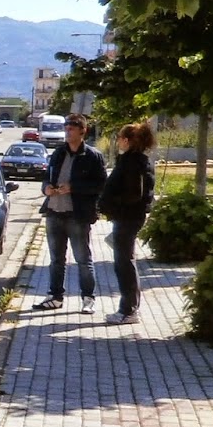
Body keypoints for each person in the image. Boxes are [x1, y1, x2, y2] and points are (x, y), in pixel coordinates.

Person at [35, 113, 107, 314]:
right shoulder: (58, 153)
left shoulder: (93, 156)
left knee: (83, 259)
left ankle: (88, 298)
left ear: (83, 131)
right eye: (66, 126)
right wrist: (46, 188)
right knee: (56, 259)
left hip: (78, 215)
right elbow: (46, 177)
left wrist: (73, 187)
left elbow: (100, 185)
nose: (67, 130)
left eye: (72, 127)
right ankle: (55, 296)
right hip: (54, 212)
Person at [97, 121, 157, 324]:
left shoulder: (132, 163)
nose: (118, 142)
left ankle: (128, 310)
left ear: (127, 140)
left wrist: (112, 204)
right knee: (124, 261)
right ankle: (129, 308)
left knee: (124, 264)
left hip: (128, 217)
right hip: (127, 217)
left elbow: (134, 194)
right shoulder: (134, 160)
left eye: (120, 138)